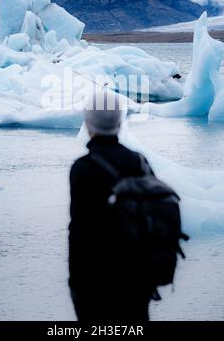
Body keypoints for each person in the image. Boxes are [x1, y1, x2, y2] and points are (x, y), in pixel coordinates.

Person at [68, 90, 156, 322]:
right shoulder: (139, 162)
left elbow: (79, 229)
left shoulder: (83, 168)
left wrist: (75, 282)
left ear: (87, 123)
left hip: (95, 280)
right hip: (137, 278)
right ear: (120, 121)